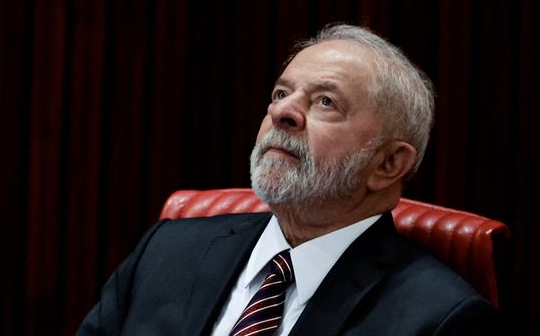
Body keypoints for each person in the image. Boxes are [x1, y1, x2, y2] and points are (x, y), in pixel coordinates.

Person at [78, 23, 499, 335]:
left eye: (325, 102)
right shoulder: (166, 253)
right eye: (281, 93)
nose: (283, 113)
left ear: (387, 165)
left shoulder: (439, 319)